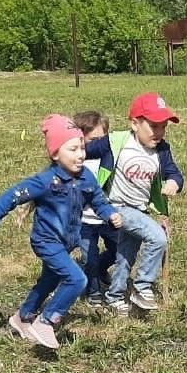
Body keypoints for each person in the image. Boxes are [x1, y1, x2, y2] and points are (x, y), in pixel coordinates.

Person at [0, 114, 123, 350]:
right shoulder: (46, 181)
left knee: (49, 281)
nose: (81, 155)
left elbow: (97, 198)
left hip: (67, 242)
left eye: (82, 148)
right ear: (55, 154)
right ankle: (46, 321)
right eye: (73, 149)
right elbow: (12, 197)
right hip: (46, 241)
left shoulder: (86, 176)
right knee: (77, 279)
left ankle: (23, 318)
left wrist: (109, 213)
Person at [89, 92, 184, 315]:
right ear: (134, 123)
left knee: (125, 257)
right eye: (153, 126)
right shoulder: (116, 142)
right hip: (116, 207)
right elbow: (85, 150)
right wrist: (63, 152)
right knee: (158, 238)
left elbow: (174, 173)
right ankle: (142, 287)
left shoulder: (162, 150)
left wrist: (173, 183)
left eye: (163, 127)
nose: (159, 132)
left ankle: (114, 296)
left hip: (139, 210)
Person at [74, 110, 115, 307]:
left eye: (102, 139)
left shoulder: (110, 158)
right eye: (92, 140)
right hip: (85, 220)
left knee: (118, 249)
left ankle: (101, 267)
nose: (97, 145)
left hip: (108, 216)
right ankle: (93, 290)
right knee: (88, 257)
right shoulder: (75, 162)